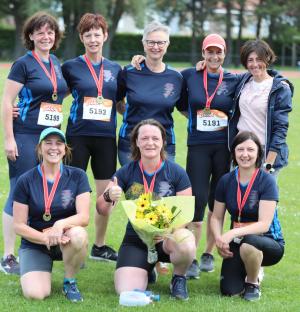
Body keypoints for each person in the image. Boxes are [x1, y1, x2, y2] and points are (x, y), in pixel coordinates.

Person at [96, 119, 196, 300]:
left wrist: (168, 230)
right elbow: (103, 210)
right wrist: (108, 196)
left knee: (187, 243)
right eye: (145, 138)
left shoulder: (177, 172)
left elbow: (186, 215)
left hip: (167, 237)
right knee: (125, 291)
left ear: (163, 142)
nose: (150, 143)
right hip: (137, 239)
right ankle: (147, 268)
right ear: (136, 142)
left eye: (155, 138)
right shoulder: (125, 172)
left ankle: (178, 277)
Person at [1, 12, 68, 275]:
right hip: (26, 134)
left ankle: (40, 247)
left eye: (50, 32)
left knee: (43, 190)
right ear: (31, 35)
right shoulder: (23, 63)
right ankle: (7, 255)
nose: (45, 36)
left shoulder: (55, 62)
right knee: (20, 191)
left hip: (51, 137)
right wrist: (9, 138)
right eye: (40, 32)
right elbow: (7, 101)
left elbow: (57, 93)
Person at [177, 34, 242, 278]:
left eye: (219, 52)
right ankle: (191, 255)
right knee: (197, 200)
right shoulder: (189, 75)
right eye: (209, 52)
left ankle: (207, 252)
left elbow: (264, 76)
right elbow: (182, 105)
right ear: (203, 54)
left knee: (218, 200)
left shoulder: (234, 80)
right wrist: (199, 121)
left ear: (225, 54)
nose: (214, 57)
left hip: (224, 148)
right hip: (198, 146)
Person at [61, 13, 121, 262]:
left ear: (105, 36)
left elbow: (121, 104)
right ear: (82, 38)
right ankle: (68, 242)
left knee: (105, 196)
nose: (93, 39)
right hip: (77, 137)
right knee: (69, 192)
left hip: (106, 139)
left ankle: (99, 245)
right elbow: (53, 94)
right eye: (88, 35)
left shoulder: (116, 69)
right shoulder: (71, 67)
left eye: (97, 34)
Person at [13, 127, 91, 302]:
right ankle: (37, 264)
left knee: (79, 235)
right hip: (36, 242)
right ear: (40, 148)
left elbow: (84, 217)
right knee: (36, 294)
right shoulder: (25, 180)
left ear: (65, 149)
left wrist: (59, 225)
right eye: (48, 143)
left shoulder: (78, 176)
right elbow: (18, 225)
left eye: (58, 143)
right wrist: (45, 238)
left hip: (66, 239)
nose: (53, 147)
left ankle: (69, 280)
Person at [211, 131, 285, 301]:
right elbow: (216, 217)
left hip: (268, 241)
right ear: (234, 153)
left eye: (250, 150)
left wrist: (230, 233)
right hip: (237, 241)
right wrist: (219, 239)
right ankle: (247, 267)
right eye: (240, 149)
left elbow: (264, 224)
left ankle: (253, 282)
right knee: (229, 290)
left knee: (249, 242)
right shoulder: (226, 180)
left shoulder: (267, 181)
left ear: (258, 152)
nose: (245, 154)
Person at [117, 21, 183, 166]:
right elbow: (117, 101)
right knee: (136, 188)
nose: (155, 47)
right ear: (144, 43)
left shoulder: (176, 77)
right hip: (131, 144)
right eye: (151, 42)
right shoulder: (129, 72)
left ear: (167, 44)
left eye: (160, 42)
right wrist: (130, 113)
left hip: (164, 145)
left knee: (162, 188)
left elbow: (184, 109)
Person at [229, 39, 293, 179]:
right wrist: (203, 64)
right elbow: (221, 76)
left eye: (259, 59)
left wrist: (268, 164)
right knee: (237, 198)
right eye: (250, 60)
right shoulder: (243, 81)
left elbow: (280, 129)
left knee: (264, 199)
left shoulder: (280, 88)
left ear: (268, 58)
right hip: (241, 150)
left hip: (264, 152)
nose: (254, 64)